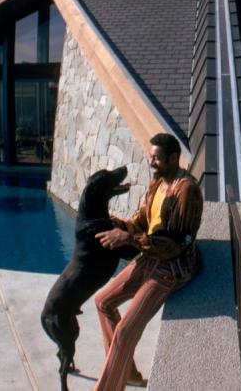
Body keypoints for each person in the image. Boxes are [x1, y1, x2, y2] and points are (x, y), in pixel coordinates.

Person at [92, 132, 203, 391]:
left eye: (157, 158)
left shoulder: (187, 191)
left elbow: (176, 244)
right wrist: (114, 225)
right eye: (150, 157)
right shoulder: (158, 184)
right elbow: (141, 222)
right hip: (149, 257)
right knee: (102, 302)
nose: (151, 162)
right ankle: (127, 372)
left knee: (125, 333)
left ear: (174, 158)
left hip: (170, 268)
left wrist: (129, 238)